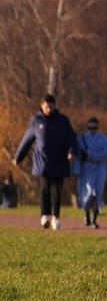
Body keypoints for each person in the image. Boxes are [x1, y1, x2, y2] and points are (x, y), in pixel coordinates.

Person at [15, 94, 77, 230]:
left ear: (54, 106)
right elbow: (27, 140)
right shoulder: (36, 121)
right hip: (43, 162)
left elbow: (72, 137)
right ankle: (44, 216)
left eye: (51, 106)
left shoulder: (63, 120)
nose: (49, 108)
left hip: (60, 161)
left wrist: (72, 151)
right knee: (45, 188)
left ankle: (56, 218)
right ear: (42, 106)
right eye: (46, 106)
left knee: (57, 190)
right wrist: (18, 157)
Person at [73, 117, 107, 228]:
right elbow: (77, 154)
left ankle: (94, 219)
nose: (92, 130)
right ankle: (86, 214)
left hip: (99, 168)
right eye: (90, 128)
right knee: (87, 193)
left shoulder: (103, 139)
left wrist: (92, 155)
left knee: (97, 192)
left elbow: (105, 153)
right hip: (86, 170)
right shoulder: (82, 139)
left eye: (94, 128)